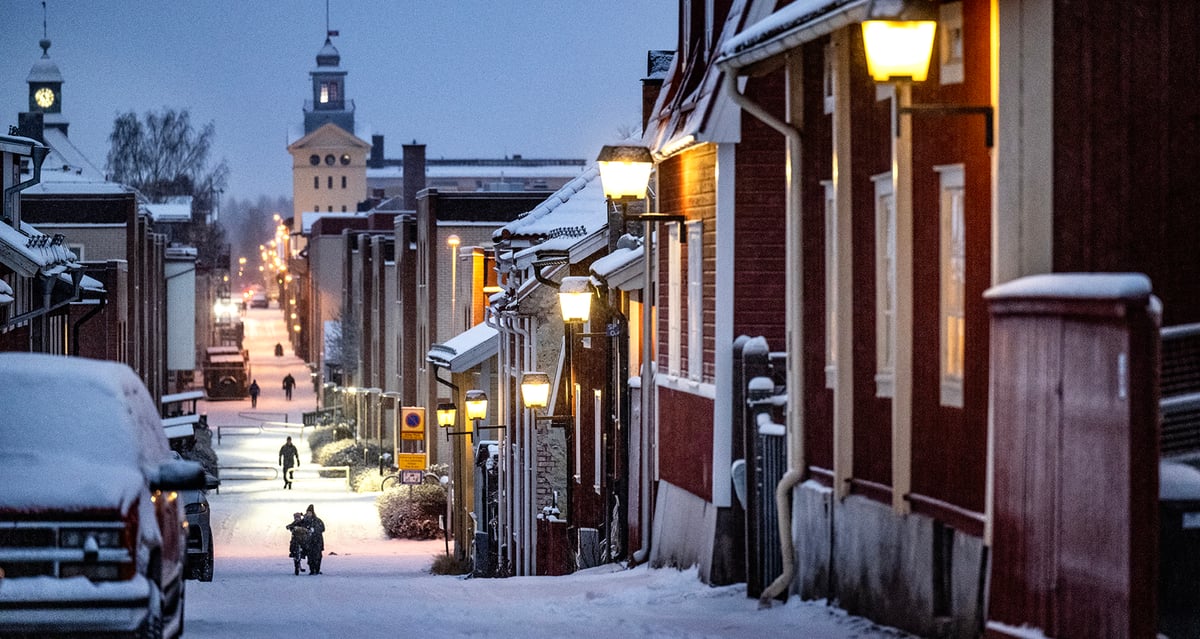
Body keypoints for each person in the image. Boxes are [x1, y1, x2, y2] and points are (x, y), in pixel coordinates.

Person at [300, 504, 325, 575]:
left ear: (312, 513)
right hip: (309, 542)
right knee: (310, 556)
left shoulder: (318, 521)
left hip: (318, 541)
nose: (309, 514)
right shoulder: (304, 521)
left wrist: (315, 530)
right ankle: (311, 569)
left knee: (318, 556)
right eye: (308, 512)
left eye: (310, 512)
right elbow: (298, 525)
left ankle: (317, 569)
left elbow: (323, 528)